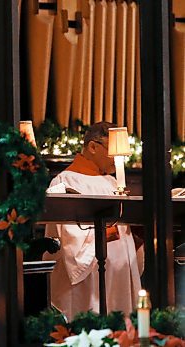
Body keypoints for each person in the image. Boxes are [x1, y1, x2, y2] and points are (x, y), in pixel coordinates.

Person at [43, 121, 143, 320]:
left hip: (118, 278)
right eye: (111, 151)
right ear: (93, 147)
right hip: (88, 283)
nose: (117, 159)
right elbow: (74, 246)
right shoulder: (65, 182)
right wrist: (110, 230)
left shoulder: (112, 182)